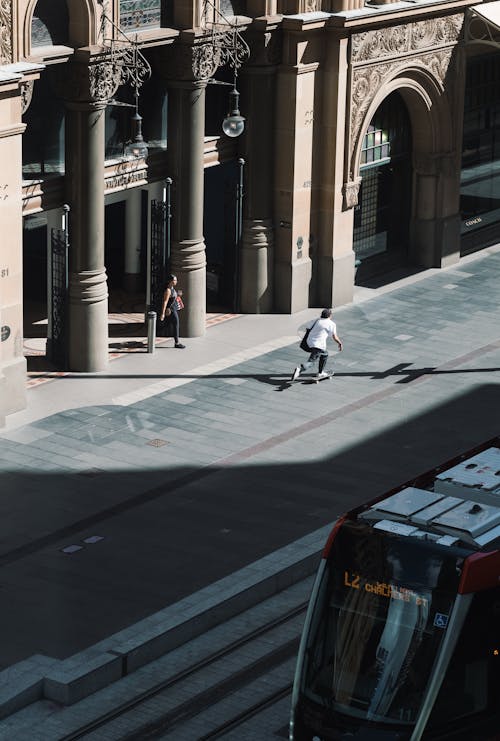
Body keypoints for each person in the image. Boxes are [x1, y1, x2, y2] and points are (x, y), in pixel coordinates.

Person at [291, 308, 342, 381]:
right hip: (318, 345)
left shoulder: (316, 320)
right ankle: (299, 370)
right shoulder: (331, 324)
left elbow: (307, 329)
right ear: (330, 316)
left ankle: (320, 372)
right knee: (311, 362)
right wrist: (339, 343)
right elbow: (334, 336)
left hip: (309, 342)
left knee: (325, 354)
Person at [159, 274, 186, 349]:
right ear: (171, 281)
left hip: (173, 309)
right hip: (171, 310)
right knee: (176, 325)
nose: (176, 281)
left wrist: (178, 295)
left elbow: (173, 298)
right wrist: (163, 313)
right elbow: (165, 302)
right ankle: (177, 343)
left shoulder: (172, 288)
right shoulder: (168, 290)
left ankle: (161, 334)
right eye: (175, 280)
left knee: (169, 324)